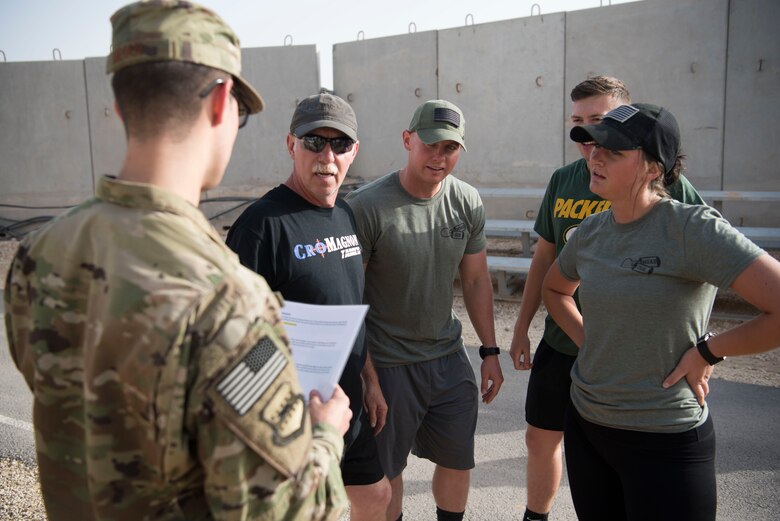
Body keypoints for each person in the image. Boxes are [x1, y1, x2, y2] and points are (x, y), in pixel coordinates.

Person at [3, 1, 352, 519]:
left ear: (121, 106)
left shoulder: (40, 253)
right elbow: (288, 510)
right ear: (221, 103)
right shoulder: (229, 300)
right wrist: (324, 433)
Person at [541, 102, 780, 520]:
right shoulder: (592, 231)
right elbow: (555, 289)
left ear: (654, 168)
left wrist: (708, 351)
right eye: (594, 146)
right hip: (588, 426)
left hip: (666, 437)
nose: (595, 157)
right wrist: (590, 342)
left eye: (613, 151)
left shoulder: (691, 229)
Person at [507, 76, 704, 521]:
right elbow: (545, 262)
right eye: (578, 121)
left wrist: (706, 347)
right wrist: (521, 329)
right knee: (542, 438)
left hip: (632, 354)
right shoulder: (564, 180)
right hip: (565, 341)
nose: (587, 137)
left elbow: (706, 266)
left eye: (598, 120)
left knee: (621, 452)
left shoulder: (663, 182)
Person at [225, 91, 392, 520]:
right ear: (291, 145)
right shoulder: (260, 227)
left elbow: (350, 307)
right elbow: (235, 344)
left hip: (345, 404)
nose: (327, 157)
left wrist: (369, 378)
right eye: (314, 142)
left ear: (354, 151)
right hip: (290, 415)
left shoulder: (346, 215)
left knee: (375, 497)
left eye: (340, 144)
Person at [345, 99, 505, 521]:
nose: (439, 156)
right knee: (388, 471)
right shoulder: (366, 206)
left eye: (450, 148)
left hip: (448, 357)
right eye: (430, 145)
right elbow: (351, 297)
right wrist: (367, 375)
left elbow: (476, 280)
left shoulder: (466, 201)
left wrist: (490, 351)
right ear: (407, 140)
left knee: (457, 459)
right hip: (388, 362)